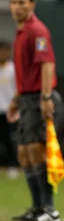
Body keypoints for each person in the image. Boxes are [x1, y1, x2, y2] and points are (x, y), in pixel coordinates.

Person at [6, 0, 62, 221]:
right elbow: (26, 71)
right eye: (14, 2)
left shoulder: (36, 30)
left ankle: (49, 209)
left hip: (39, 97)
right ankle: (37, 206)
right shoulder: (21, 32)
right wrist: (17, 99)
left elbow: (46, 64)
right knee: (24, 153)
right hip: (27, 98)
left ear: (32, 4)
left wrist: (46, 97)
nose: (17, 7)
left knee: (37, 151)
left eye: (22, 2)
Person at [0, 40, 18, 178]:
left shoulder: (12, 68)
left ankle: (12, 166)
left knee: (10, 140)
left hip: (9, 110)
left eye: (6, 51)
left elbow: (19, 88)